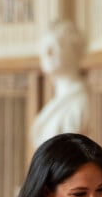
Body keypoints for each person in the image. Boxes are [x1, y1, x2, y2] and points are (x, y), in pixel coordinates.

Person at [31, 20, 90, 150]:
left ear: (72, 51)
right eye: (44, 48)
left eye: (54, 47)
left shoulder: (81, 102)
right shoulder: (60, 99)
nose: (47, 53)